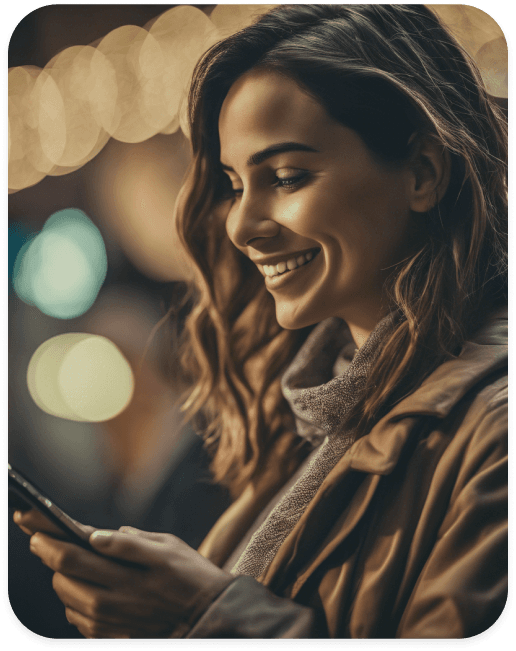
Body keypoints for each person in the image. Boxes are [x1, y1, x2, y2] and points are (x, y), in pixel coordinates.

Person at [14, 4, 508, 639]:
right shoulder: (300, 414)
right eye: (235, 185)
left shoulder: (493, 429)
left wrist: (204, 615)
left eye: (287, 176)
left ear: (422, 172)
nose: (243, 226)